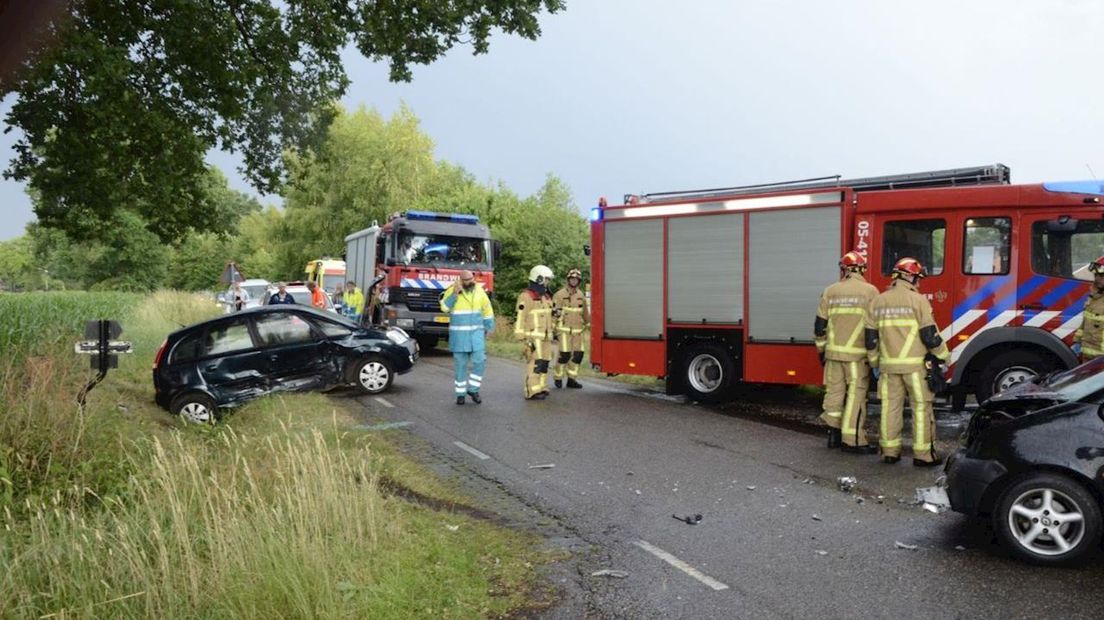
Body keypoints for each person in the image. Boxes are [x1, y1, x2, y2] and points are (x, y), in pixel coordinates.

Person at [865, 257, 950, 467]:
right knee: (921, 409)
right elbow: (930, 335)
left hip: (888, 368)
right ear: (910, 276)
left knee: (890, 409)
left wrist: (875, 363)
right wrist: (943, 356)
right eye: (918, 278)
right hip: (915, 368)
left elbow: (870, 338)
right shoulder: (918, 300)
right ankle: (923, 456)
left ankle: (889, 452)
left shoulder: (878, 301)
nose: (919, 283)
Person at [814, 251, 879, 453]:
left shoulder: (830, 291)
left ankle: (833, 435)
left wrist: (821, 350)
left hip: (833, 355)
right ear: (862, 269)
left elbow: (819, 326)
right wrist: (874, 358)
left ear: (844, 269)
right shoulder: (870, 292)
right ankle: (853, 441)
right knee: (856, 396)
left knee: (834, 394)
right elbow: (873, 330)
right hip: (857, 357)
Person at [439, 270, 494, 405]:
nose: (469, 282)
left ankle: (473, 390)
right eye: (466, 280)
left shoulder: (479, 292)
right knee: (460, 367)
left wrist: (490, 327)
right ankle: (460, 394)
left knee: (480, 362)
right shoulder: (452, 290)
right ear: (461, 280)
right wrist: (454, 295)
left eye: (471, 279)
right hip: (459, 337)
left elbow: (487, 310)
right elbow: (444, 308)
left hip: (476, 336)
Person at [515, 265, 555, 400]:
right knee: (535, 364)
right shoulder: (526, 296)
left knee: (544, 363)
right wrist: (521, 337)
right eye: (546, 279)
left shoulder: (546, 296)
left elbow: (549, 316)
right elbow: (521, 317)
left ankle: (541, 387)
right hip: (533, 338)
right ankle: (531, 391)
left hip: (546, 337)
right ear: (538, 279)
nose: (548, 282)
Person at [552, 268, 590, 389]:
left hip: (578, 331)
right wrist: (553, 329)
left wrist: (589, 325)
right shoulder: (559, 295)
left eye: (576, 279)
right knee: (565, 355)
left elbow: (585, 313)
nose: (574, 281)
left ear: (579, 281)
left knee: (578, 355)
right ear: (568, 280)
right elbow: (553, 313)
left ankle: (571, 380)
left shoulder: (581, 295)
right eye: (572, 279)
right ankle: (558, 377)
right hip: (564, 331)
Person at [1076, 256, 1104, 362]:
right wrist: (1077, 341)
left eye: (1102, 276)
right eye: (1096, 275)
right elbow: (1085, 322)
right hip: (1088, 359)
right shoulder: (1093, 297)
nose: (1097, 279)